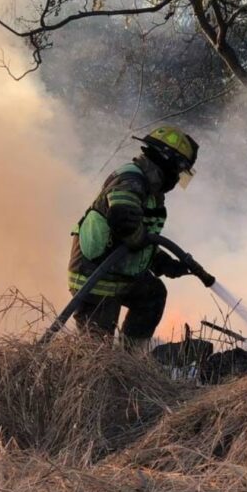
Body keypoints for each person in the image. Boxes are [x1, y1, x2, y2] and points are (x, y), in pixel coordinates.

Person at [67, 126, 199, 349]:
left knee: (152, 295)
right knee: (96, 354)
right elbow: (123, 222)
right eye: (179, 172)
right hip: (96, 279)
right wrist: (141, 241)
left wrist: (163, 263)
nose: (177, 179)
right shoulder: (131, 180)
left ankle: (131, 362)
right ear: (168, 163)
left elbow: (143, 239)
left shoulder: (151, 191)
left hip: (118, 274)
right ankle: (97, 376)